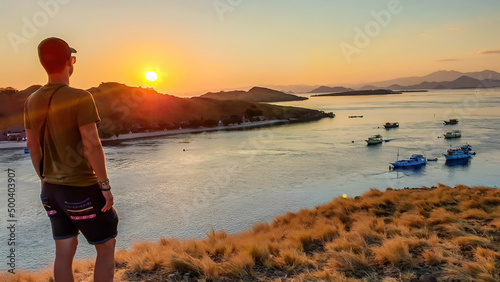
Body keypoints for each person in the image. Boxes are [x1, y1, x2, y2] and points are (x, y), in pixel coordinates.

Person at [24, 37, 118, 282]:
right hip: (81, 189)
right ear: (70, 62)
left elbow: (32, 146)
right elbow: (92, 144)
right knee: (106, 246)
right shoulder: (80, 97)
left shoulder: (31, 100)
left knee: (64, 250)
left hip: (50, 191)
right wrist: (105, 186)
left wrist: (44, 178)